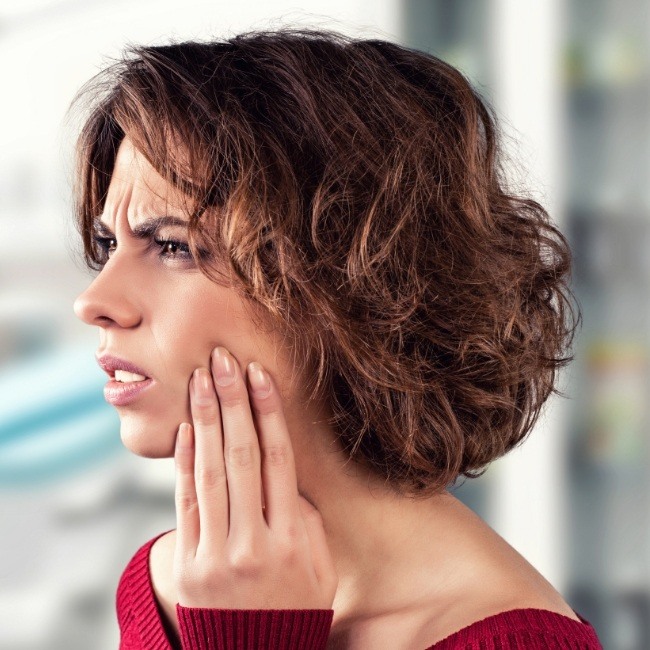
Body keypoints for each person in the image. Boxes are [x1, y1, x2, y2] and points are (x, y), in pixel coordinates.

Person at [70, 29, 602, 649]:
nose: (94, 303)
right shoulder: (169, 586)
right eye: (109, 245)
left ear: (352, 283)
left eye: (172, 246)